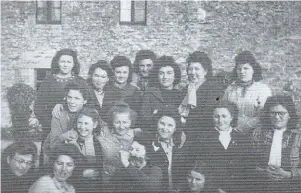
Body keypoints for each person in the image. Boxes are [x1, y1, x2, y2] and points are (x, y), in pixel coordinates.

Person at [194, 101, 254, 193]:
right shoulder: (202, 139)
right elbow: (200, 170)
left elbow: (248, 169)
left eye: (224, 116)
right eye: (216, 116)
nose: (220, 120)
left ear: (232, 117)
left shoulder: (243, 139)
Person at [35, 49, 87, 141]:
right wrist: (51, 123)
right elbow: (38, 107)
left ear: (74, 64)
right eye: (62, 61)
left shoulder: (80, 81)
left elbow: (88, 104)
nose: (65, 65)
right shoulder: (48, 81)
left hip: (76, 129)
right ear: (57, 63)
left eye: (69, 62)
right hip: (51, 128)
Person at [254, 95, 301, 193]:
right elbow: (247, 162)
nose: (276, 117)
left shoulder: (298, 137)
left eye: (281, 113)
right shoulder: (257, 133)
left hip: (292, 187)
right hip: (261, 185)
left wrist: (289, 174)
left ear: (290, 115)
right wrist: (263, 172)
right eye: (273, 113)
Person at [223, 51, 272, 139]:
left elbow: (264, 114)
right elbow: (223, 109)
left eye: (246, 68)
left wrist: (247, 127)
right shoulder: (230, 89)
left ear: (253, 70)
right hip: (231, 131)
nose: (242, 72)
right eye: (239, 69)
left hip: (254, 132)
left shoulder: (263, 90)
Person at [178, 51, 224, 141]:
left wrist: (184, 121)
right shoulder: (186, 89)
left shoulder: (214, 89)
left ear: (205, 71)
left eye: (197, 69)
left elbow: (208, 115)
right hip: (185, 134)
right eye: (190, 69)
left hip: (204, 135)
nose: (192, 72)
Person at [43, 82, 90, 158]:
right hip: (58, 156)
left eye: (77, 98)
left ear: (85, 101)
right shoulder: (58, 114)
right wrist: (62, 137)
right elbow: (52, 145)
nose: (72, 102)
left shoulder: (90, 114)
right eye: (69, 97)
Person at [97, 102, 138, 189]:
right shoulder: (103, 134)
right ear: (112, 121)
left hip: (130, 183)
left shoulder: (137, 135)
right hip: (107, 182)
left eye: (125, 122)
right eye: (117, 122)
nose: (121, 126)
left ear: (131, 122)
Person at [142, 55, 184, 134]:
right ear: (157, 76)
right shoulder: (150, 94)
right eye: (161, 73)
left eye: (169, 73)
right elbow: (144, 119)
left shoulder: (181, 95)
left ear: (175, 76)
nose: (165, 77)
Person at [146, 111, 187, 191]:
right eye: (162, 123)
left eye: (170, 125)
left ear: (175, 129)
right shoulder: (148, 145)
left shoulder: (179, 147)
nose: (165, 128)